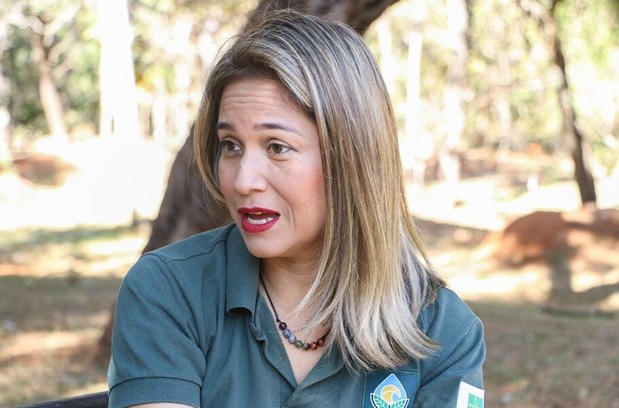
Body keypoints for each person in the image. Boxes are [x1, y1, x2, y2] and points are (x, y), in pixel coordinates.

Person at [108, 9, 485, 408]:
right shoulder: (169, 289)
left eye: (277, 147)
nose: (243, 180)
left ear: (351, 159)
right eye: (230, 146)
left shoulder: (444, 329)